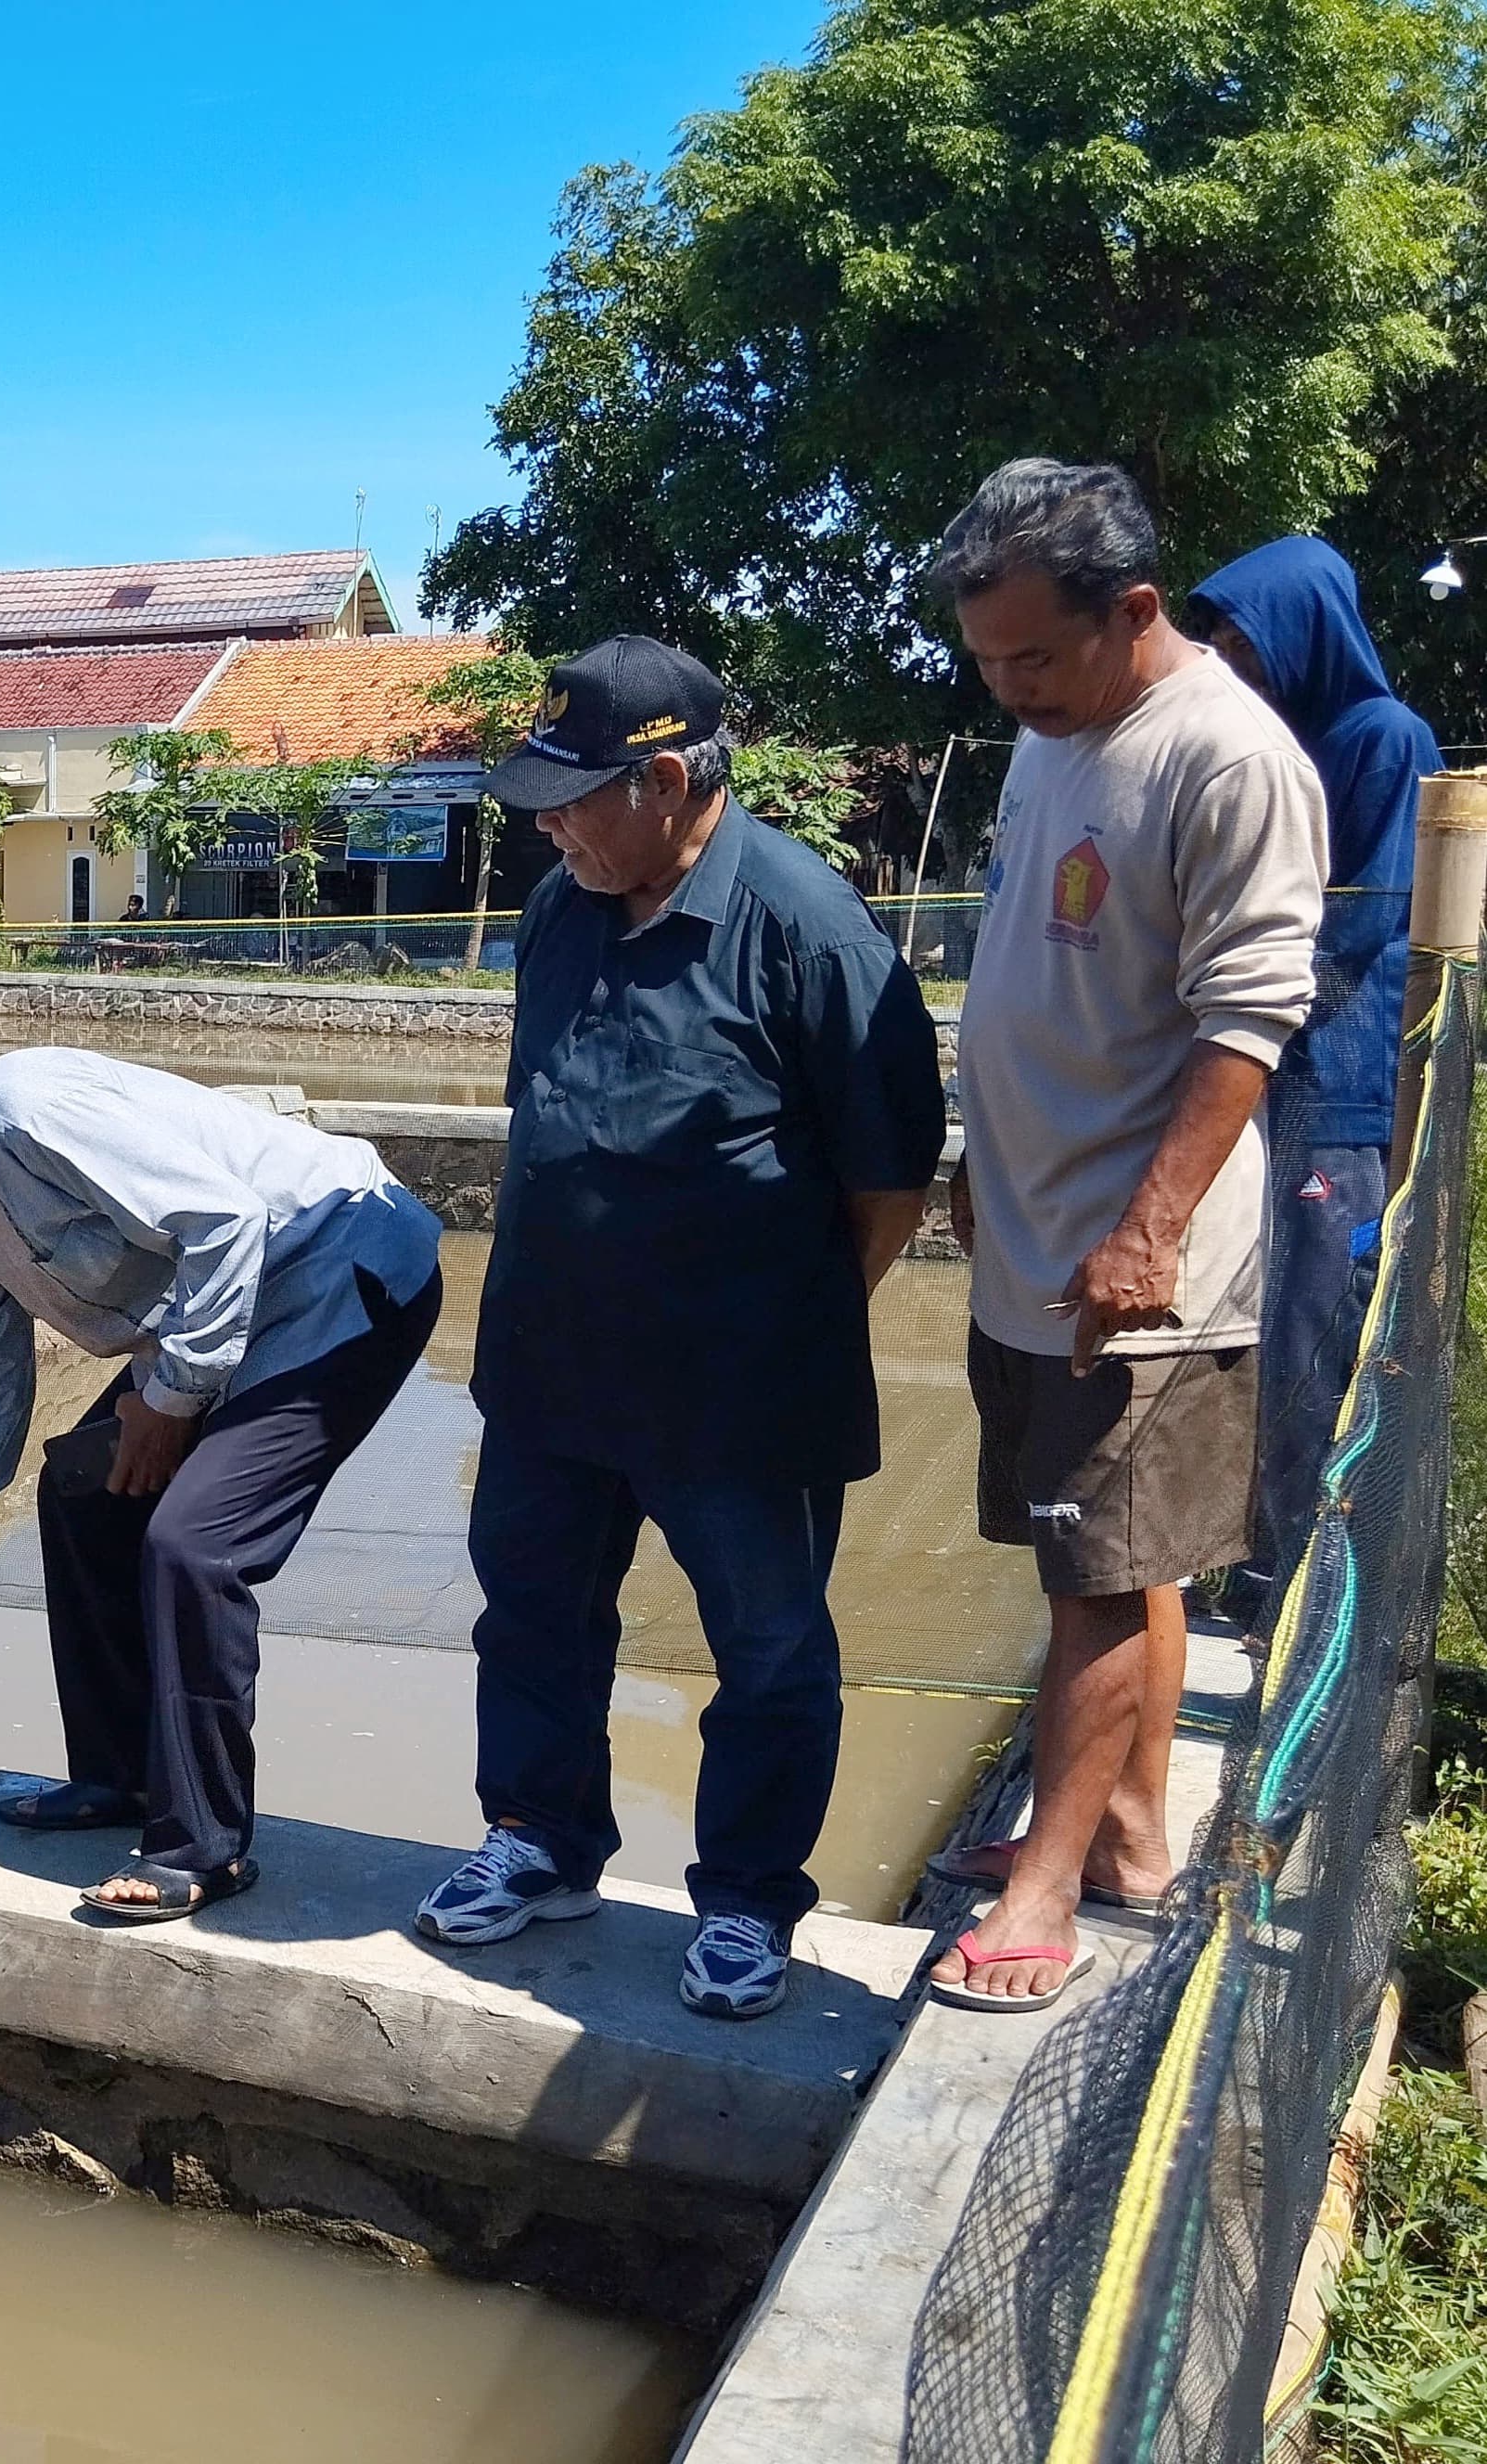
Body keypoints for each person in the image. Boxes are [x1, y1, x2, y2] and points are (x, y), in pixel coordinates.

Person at [408, 636, 946, 2021]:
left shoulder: (808, 928)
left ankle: (752, 1904)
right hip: (549, 1366)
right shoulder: (562, 908)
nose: (549, 824)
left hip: (737, 1391)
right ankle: (543, 1841)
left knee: (767, 1653)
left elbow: (891, 1181)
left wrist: (784, 1321)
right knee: (532, 1613)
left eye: (574, 797)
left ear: (663, 780)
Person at [930, 460, 1324, 2012]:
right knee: (1103, 1563)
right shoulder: (1050, 739)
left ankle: (1044, 1880)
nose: (1011, 688)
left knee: (1098, 1572)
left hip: (1138, 1265)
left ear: (1134, 612)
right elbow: (1035, 967)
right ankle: (1131, 1831)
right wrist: (978, 1153)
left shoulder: (1225, 759)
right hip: (1029, 1231)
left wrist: (1147, 1232)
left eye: (1036, 657)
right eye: (986, 662)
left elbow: (1249, 1020)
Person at [0, 1049, 445, 1923]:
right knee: (84, 1494)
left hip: (340, 1262)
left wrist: (176, 1395)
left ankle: (205, 1849)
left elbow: (225, 1221)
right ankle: (117, 1778)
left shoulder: (22, 1113)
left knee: (196, 1546)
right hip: (231, 1305)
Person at [1186, 535, 1442, 1590]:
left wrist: (1233, 979)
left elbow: (1355, 926)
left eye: (1248, 645)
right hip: (1274, 1075)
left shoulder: (1382, 736)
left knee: (1312, 1333)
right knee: (1255, 1324)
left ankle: (1314, 1582)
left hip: (1336, 1080)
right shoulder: (1269, 743)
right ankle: (1266, 1555)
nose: (1234, 666)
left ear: (1301, 634)